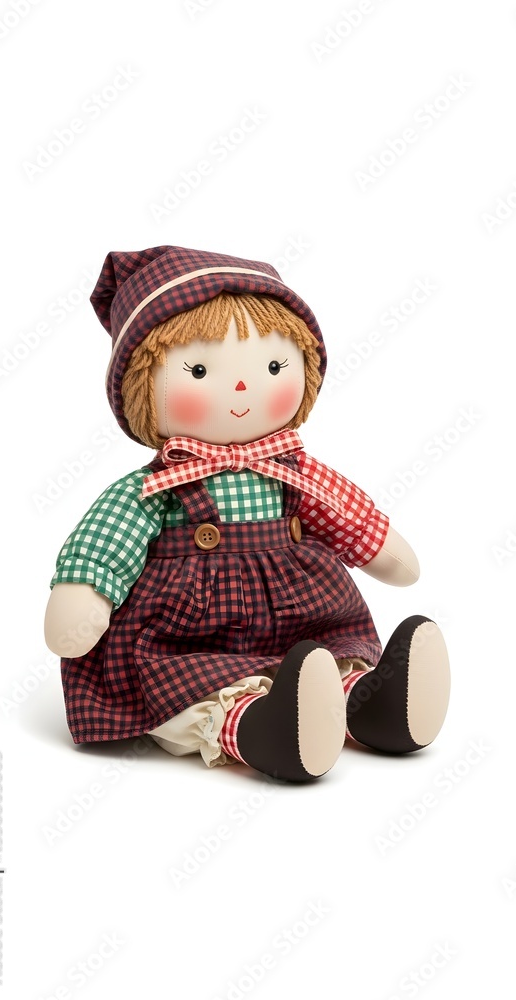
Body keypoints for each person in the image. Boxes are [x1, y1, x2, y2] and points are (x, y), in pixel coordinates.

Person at [45, 245, 450, 782]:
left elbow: (351, 520)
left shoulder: (295, 471)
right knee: (188, 685)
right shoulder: (156, 486)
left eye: (274, 366)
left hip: (304, 614)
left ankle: (373, 705)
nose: (242, 387)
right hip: (190, 633)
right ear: (141, 385)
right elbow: (105, 545)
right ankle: (261, 729)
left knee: (326, 659)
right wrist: (83, 595)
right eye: (198, 369)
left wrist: (382, 548)